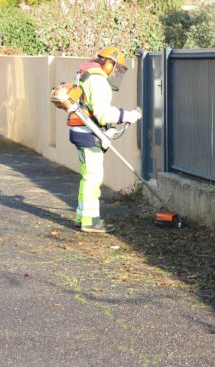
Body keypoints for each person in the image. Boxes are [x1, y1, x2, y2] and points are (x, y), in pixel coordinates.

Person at [68, 47, 141, 233]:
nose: (115, 73)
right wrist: (126, 115)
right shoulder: (97, 80)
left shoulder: (85, 74)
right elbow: (102, 113)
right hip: (88, 134)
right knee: (93, 178)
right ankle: (90, 222)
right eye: (115, 67)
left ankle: (82, 217)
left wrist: (107, 131)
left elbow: (91, 109)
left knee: (87, 178)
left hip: (83, 131)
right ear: (108, 63)